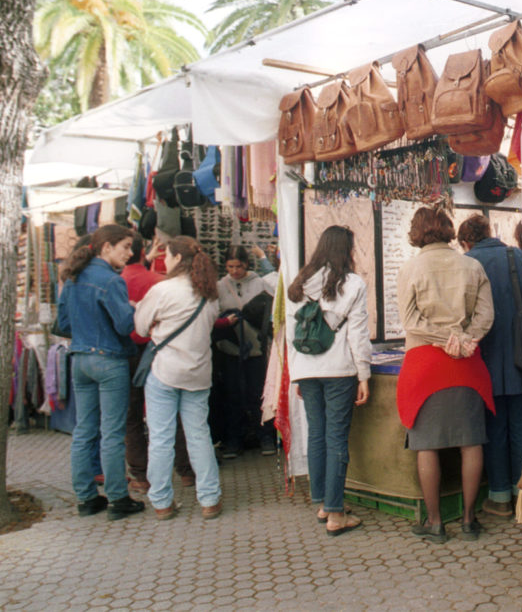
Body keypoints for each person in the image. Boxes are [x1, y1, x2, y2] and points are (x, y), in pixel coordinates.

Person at [396, 207, 495, 543]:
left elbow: (410, 321)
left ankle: (435, 524)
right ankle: (469, 521)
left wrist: (443, 338)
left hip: (424, 364)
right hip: (466, 362)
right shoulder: (472, 266)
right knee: (471, 442)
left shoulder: (410, 268)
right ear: (449, 230)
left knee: (427, 446)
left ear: (416, 232)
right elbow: (486, 316)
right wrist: (463, 339)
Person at [457, 214, 522, 518]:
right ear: (489, 232)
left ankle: (499, 498)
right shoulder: (517, 256)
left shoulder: (467, 263)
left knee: (494, 431)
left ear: (466, 241)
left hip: (486, 360)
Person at [286, 226, 372, 536]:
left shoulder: (300, 283)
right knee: (336, 437)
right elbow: (358, 333)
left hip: (306, 369)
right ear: (346, 250)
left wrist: (297, 374)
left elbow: (293, 332)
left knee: (316, 434)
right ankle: (336, 514)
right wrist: (364, 375)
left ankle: (324, 502)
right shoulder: (353, 284)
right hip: (339, 370)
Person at [56, 224, 145, 521]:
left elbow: (63, 324)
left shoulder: (73, 277)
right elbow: (125, 325)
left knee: (84, 431)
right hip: (109, 360)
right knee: (112, 432)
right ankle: (118, 499)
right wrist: (132, 308)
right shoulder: (111, 280)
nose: (130, 253)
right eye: (126, 247)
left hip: (80, 359)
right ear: (107, 247)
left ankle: (86, 498)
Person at [134, 236, 222, 521]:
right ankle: (209, 499)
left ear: (178, 258)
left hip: (165, 372)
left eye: (168, 255)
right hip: (198, 373)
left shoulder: (162, 290)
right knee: (199, 435)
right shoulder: (210, 293)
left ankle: (161, 502)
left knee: (160, 438)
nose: (165, 260)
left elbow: (141, 328)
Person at [122, 232, 195, 494]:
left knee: (132, 416)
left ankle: (141, 475)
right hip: (159, 351)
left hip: (127, 352)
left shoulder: (118, 281)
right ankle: (185, 470)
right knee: (174, 413)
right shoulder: (158, 281)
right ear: (144, 253)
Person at [214, 245, 277, 458]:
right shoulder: (220, 287)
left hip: (256, 349)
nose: (234, 271)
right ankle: (234, 439)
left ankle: (265, 436)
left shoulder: (259, 283)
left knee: (258, 393)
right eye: (230, 267)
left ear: (246, 264)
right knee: (232, 395)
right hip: (230, 350)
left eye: (238, 266)